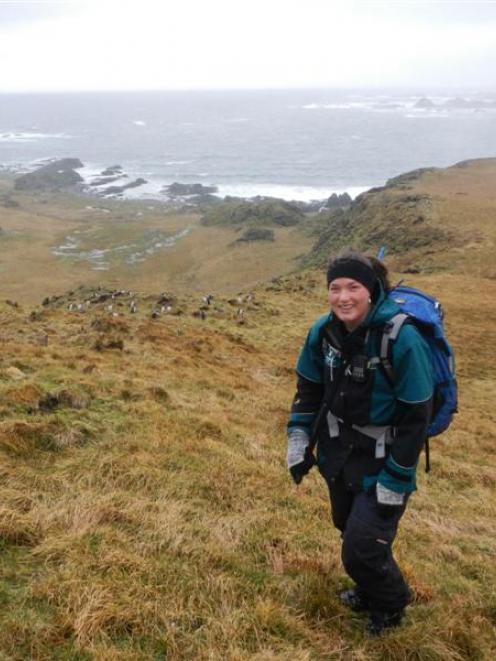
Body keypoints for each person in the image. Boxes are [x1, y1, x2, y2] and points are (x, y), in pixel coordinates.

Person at [287, 251, 433, 636]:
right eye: (335, 288)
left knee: (362, 545)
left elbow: (418, 416)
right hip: (338, 454)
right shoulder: (324, 331)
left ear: (373, 291)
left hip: (385, 460)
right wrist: (299, 439)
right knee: (347, 526)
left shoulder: (402, 339)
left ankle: (392, 604)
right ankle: (370, 589)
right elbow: (309, 389)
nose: (343, 297)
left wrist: (397, 477)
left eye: (354, 287)